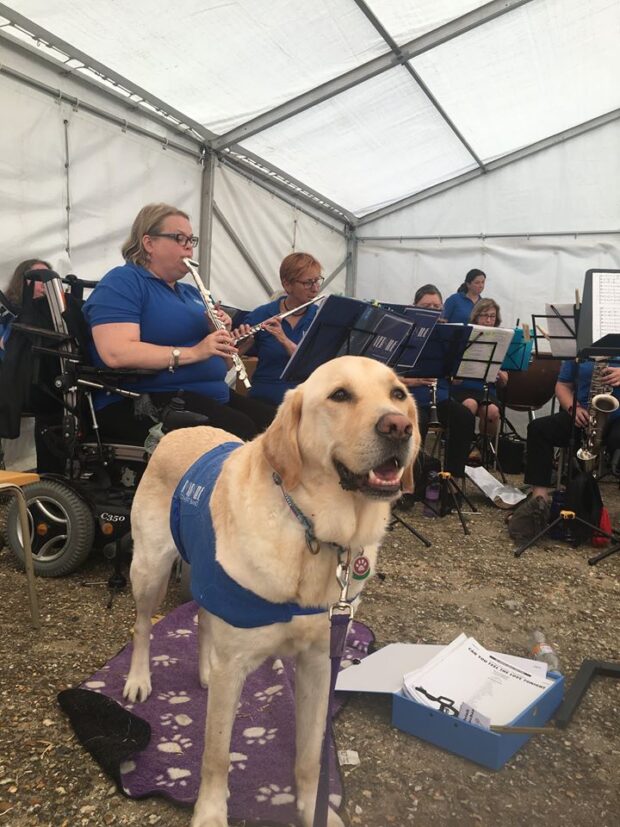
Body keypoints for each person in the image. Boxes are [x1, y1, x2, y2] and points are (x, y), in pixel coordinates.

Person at [82, 203, 275, 444]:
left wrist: (233, 344)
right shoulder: (123, 282)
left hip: (210, 394)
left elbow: (222, 365)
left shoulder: (192, 293)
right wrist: (195, 351)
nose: (188, 246)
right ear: (149, 243)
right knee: (243, 433)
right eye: (178, 238)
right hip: (147, 399)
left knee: (277, 425)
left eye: (190, 240)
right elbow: (116, 353)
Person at [507, 357, 620, 541]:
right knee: (539, 429)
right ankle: (539, 503)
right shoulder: (582, 346)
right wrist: (572, 408)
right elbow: (562, 385)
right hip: (584, 415)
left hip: (616, 419)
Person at [401, 284, 475, 482]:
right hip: (408, 397)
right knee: (418, 422)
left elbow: (455, 375)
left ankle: (451, 479)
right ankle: (410, 482)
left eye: (436, 307)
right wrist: (412, 381)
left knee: (464, 417)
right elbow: (384, 374)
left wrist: (457, 372)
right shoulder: (402, 332)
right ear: (414, 306)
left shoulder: (447, 335)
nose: (432, 311)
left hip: (439, 396)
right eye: (427, 306)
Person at [233, 252, 323, 406]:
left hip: (306, 401)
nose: (315, 289)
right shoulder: (261, 315)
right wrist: (240, 345)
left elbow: (314, 368)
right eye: (308, 283)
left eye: (317, 281)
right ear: (287, 285)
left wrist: (283, 339)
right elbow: (229, 360)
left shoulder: (321, 317)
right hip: (265, 399)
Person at [451, 298, 508, 440]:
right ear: (476, 317)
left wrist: (500, 375)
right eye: (485, 315)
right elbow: (451, 372)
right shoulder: (464, 336)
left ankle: (484, 450)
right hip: (463, 388)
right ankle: (465, 448)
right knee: (469, 406)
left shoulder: (501, 339)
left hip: (486, 390)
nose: (489, 320)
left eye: (492, 316)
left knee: (493, 412)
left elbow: (504, 382)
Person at [0, 258, 51, 355]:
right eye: (38, 278)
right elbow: (6, 343)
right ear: (22, 281)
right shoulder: (7, 311)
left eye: (48, 278)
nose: (44, 284)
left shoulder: (55, 314)